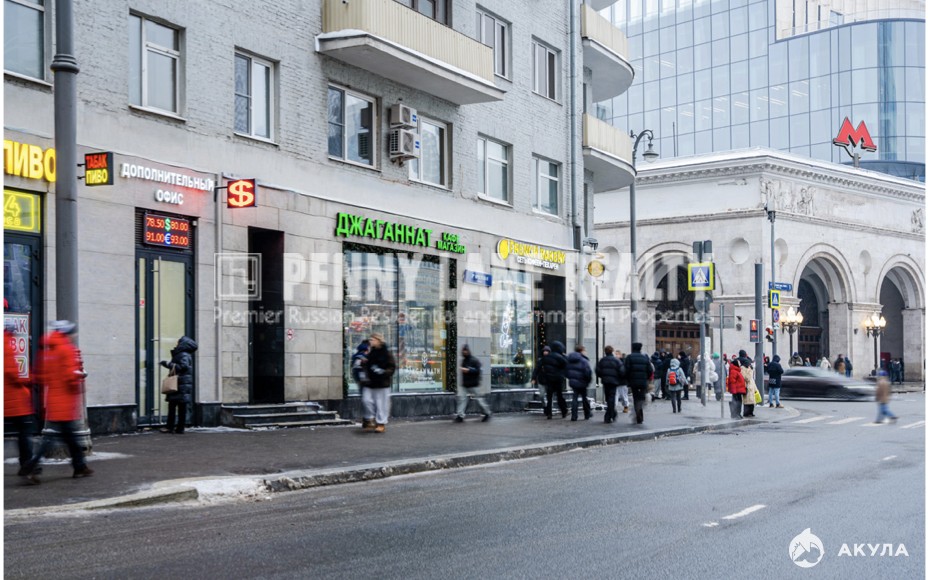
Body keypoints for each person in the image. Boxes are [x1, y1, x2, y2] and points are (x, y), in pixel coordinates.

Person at [21, 321, 91, 483]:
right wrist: (78, 379)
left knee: (68, 437)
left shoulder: (48, 351)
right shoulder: (67, 349)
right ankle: (31, 466)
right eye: (73, 333)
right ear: (68, 334)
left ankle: (80, 467)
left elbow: (41, 376)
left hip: (53, 399)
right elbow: (70, 376)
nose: (74, 336)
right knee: (53, 439)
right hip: (65, 401)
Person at [5, 320, 37, 475]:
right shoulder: (5, 344)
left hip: (8, 398)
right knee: (24, 431)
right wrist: (26, 380)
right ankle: (26, 465)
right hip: (12, 399)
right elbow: (10, 372)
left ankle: (26, 464)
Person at [160, 336, 198, 434]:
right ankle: (180, 428)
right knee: (181, 408)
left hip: (179, 384)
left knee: (173, 407)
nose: (177, 344)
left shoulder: (183, 354)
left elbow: (183, 367)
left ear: (183, 344)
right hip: (182, 384)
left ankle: (170, 427)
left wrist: (167, 364)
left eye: (178, 342)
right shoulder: (185, 354)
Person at [362, 333, 396, 433]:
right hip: (370, 382)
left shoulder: (386, 353)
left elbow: (392, 367)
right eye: (370, 339)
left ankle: (381, 423)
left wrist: (383, 372)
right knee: (366, 400)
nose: (370, 341)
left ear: (378, 341)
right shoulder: (371, 352)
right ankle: (370, 418)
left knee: (382, 405)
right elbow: (368, 365)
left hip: (382, 383)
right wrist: (364, 363)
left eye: (372, 339)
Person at [455, 344, 492, 422]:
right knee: (462, 400)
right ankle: (460, 416)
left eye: (465, 350)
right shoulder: (464, 361)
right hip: (465, 384)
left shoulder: (474, 360)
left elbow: (478, 370)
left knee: (479, 400)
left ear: (468, 351)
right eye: (463, 351)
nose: (464, 352)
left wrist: (469, 370)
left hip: (474, 384)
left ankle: (487, 413)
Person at [624, 342, 654, 424]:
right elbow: (650, 370)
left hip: (633, 382)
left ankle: (638, 413)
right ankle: (640, 412)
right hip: (643, 382)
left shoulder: (629, 357)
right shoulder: (644, 358)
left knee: (636, 397)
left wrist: (628, 379)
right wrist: (646, 378)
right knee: (641, 397)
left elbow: (626, 370)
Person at [596, 345, 625, 423]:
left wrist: (602, 376)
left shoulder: (602, 360)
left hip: (605, 381)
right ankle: (611, 415)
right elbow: (622, 371)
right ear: (612, 351)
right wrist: (618, 377)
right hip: (614, 381)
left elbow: (597, 370)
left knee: (608, 398)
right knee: (611, 398)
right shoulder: (616, 360)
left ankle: (610, 415)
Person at [541, 341, 568, 419]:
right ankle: (563, 411)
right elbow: (566, 366)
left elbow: (543, 367)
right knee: (559, 396)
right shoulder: (560, 357)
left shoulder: (547, 357)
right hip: (558, 379)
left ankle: (549, 413)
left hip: (549, 379)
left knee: (549, 397)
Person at [566, 345, 593, 421]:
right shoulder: (584, 360)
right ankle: (587, 414)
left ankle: (574, 416)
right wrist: (588, 380)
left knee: (575, 398)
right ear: (581, 351)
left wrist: (571, 378)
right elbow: (588, 372)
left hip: (573, 382)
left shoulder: (570, 359)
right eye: (584, 350)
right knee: (584, 398)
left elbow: (566, 371)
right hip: (582, 382)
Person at [351, 340, 372, 429]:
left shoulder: (356, 356)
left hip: (362, 382)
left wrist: (358, 380)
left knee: (366, 400)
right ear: (367, 348)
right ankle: (368, 420)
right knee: (368, 401)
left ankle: (367, 420)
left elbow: (354, 370)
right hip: (366, 382)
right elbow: (359, 370)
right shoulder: (362, 357)